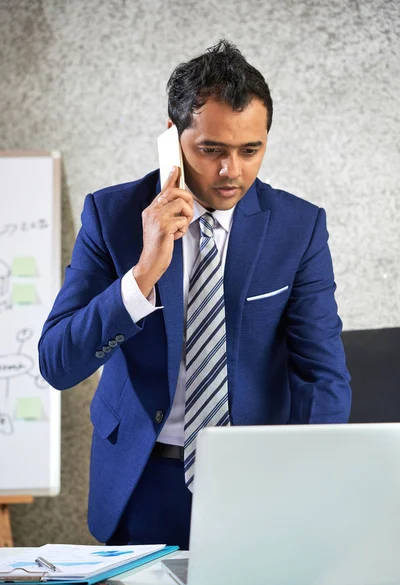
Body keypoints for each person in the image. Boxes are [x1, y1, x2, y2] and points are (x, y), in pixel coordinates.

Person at [39, 40, 351, 549]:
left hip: (258, 481)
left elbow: (323, 373)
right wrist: (142, 275)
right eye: (212, 150)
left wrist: (312, 484)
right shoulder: (111, 216)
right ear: (173, 139)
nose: (233, 172)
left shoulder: (299, 227)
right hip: (142, 478)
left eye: (250, 150)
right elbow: (57, 363)